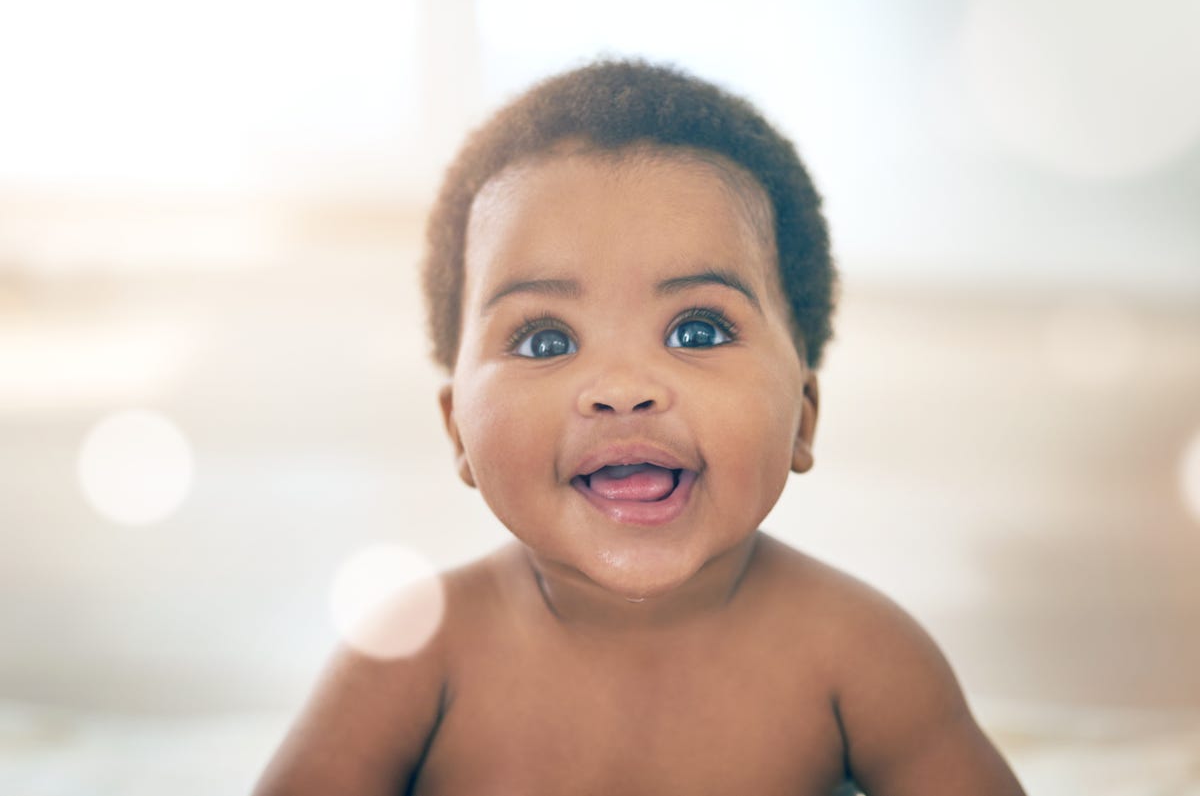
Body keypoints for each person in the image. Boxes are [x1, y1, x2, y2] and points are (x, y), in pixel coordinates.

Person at [254, 59, 1026, 796]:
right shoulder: (415, 654)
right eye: (545, 339)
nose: (622, 389)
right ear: (458, 429)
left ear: (804, 416)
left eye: (696, 330)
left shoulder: (861, 657)